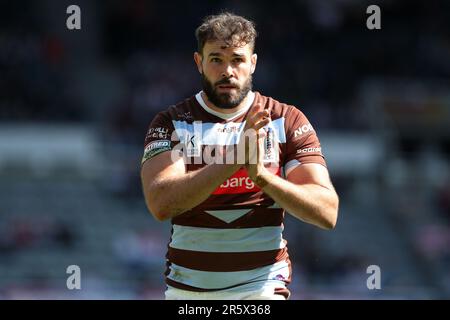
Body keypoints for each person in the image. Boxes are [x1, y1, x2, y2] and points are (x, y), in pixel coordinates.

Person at [140, 12, 339, 300]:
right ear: (199, 63)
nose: (227, 71)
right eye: (216, 59)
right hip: (188, 293)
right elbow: (160, 203)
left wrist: (261, 177)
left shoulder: (286, 120)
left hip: (262, 289)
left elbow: (326, 211)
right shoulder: (171, 122)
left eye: (237, 59)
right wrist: (233, 159)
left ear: (253, 63)